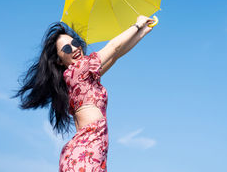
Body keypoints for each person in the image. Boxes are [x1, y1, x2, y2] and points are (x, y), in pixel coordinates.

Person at [13, 15, 155, 171]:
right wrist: (136, 25)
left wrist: (143, 31)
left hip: (87, 154)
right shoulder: (79, 69)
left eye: (74, 43)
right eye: (66, 48)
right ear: (59, 61)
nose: (74, 48)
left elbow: (115, 56)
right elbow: (113, 47)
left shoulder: (78, 79)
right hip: (87, 154)